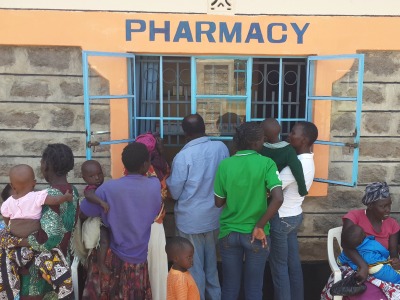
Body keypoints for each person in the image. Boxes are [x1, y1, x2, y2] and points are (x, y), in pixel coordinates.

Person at [81, 142, 161, 299]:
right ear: (146, 164)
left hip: (112, 256)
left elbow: (84, 211)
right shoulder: (154, 185)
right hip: (139, 257)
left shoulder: (107, 189)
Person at [214, 121, 284, 300]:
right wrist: (260, 225)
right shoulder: (267, 163)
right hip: (256, 234)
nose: (264, 142)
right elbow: (278, 198)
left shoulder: (225, 165)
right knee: (253, 288)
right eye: (262, 139)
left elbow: (218, 202)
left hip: (229, 233)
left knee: (230, 287)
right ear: (255, 143)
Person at [0, 143, 80, 299]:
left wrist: (17, 241)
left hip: (38, 269)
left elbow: (49, 238)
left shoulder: (49, 195)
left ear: (46, 165)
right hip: (61, 261)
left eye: (42, 162)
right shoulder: (73, 191)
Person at [167, 113, 229, 300]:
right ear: (204, 128)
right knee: (211, 268)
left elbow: (175, 192)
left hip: (191, 220)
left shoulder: (183, 156)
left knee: (194, 271)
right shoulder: (221, 148)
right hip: (215, 216)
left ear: (185, 133)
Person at [321, 182, 400, 300]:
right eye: (383, 206)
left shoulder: (392, 224)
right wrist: (363, 266)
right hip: (356, 267)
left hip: (382, 268)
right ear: (371, 205)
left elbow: (393, 251)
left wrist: (395, 261)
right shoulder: (354, 217)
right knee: (366, 294)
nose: (388, 210)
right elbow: (346, 245)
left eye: (389, 205)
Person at [268, 121, 318, 300]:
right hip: (295, 216)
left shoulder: (295, 166)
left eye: (293, 133)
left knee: (279, 267)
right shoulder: (309, 161)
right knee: (293, 264)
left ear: (304, 139)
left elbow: (271, 188)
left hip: (282, 219)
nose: (289, 136)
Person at [136, 132, 170, 300]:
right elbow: (165, 194)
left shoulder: (132, 170)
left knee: (141, 268)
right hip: (157, 223)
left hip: (137, 225)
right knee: (157, 268)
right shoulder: (162, 167)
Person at [260, 118, 308, 196]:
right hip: (276, 185)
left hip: (262, 186)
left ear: (264, 137)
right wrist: (302, 189)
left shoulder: (261, 149)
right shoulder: (288, 150)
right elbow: (297, 169)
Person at [81, 160, 110, 274]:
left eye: (99, 174)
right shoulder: (90, 189)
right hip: (94, 221)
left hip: (102, 219)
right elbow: (89, 195)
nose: (97, 178)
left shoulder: (103, 187)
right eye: (92, 176)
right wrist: (101, 202)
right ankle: (101, 264)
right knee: (104, 240)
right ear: (84, 178)